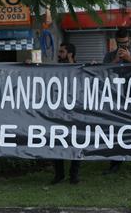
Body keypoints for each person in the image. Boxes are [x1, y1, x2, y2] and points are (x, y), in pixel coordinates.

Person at [103, 28, 131, 174]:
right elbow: (102, 72)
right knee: (116, 130)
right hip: (116, 98)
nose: (123, 46)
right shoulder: (110, 55)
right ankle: (115, 162)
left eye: (126, 43)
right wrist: (116, 60)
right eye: (120, 43)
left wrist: (130, 59)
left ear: (130, 40)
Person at [51, 42, 80, 185]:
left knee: (76, 143)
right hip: (59, 113)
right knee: (57, 143)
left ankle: (74, 176)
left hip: (75, 113)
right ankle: (59, 175)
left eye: (62, 52)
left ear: (70, 54)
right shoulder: (56, 68)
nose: (59, 54)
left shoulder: (81, 69)